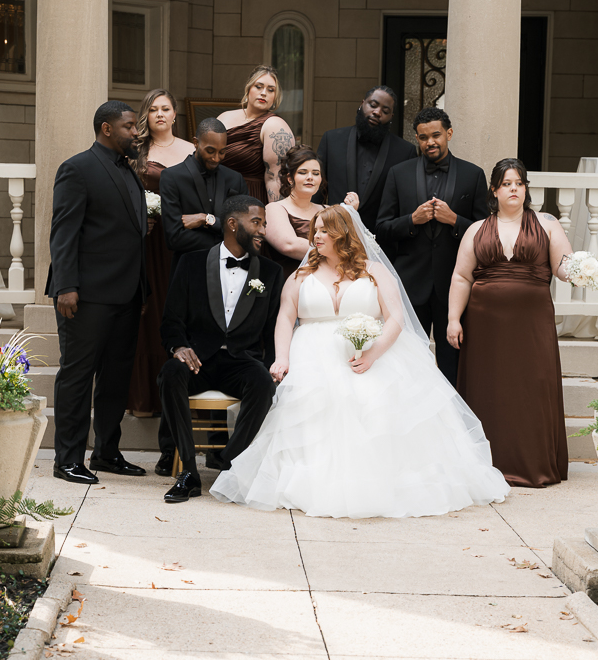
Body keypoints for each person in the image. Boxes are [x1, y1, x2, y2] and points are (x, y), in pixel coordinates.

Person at [210, 205, 508, 518]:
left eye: (325, 230)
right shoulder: (302, 273)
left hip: (371, 355)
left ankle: (374, 483)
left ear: (344, 234)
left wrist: (374, 353)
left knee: (372, 403)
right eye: (316, 230)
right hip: (312, 359)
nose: (317, 236)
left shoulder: (374, 271)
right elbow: (286, 317)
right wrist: (282, 358)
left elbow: (395, 317)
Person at [448, 158, 572, 488]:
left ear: (526, 188)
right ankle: (488, 463)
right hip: (485, 326)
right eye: (506, 183)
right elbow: (461, 277)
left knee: (531, 386)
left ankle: (531, 463)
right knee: (489, 388)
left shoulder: (547, 224)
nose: (513, 188)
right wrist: (452, 319)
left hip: (532, 324)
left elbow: (563, 266)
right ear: (494, 190)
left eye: (518, 182)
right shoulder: (477, 229)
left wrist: (581, 270)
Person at [46, 101, 148, 484]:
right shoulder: (77, 168)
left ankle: (107, 452)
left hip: (126, 294)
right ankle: (67, 459)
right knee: (77, 375)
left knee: (116, 378)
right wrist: (66, 286)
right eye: (129, 126)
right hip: (85, 296)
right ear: (106, 128)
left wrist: (142, 290)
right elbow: (64, 233)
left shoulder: (128, 171)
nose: (135, 132)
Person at [158, 195, 284, 504]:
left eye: (264, 224)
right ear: (232, 223)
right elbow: (171, 320)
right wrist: (179, 346)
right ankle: (188, 471)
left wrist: (272, 365)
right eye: (256, 222)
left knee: (262, 382)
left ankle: (232, 461)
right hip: (198, 359)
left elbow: (271, 330)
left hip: (241, 361)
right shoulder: (191, 262)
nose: (263, 230)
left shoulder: (270, 272)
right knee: (170, 373)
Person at [376, 107, 489, 385]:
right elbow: (381, 228)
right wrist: (412, 220)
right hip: (410, 283)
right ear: (417, 138)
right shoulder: (398, 174)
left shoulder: (472, 175)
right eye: (424, 137)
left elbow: (486, 232)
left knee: (453, 359)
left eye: (436, 135)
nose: (430, 142)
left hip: (454, 285)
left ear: (449, 134)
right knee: (407, 358)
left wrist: (455, 221)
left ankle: (453, 420)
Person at [125, 89, 195, 476]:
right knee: (146, 313)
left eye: (166, 108)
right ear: (145, 116)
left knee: (172, 311)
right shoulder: (135, 151)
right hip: (144, 242)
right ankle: (144, 397)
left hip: (177, 245)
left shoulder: (190, 149)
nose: (160, 114)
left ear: (174, 114)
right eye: (153, 109)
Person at [316, 85, 416, 234]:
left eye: (385, 111)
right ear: (362, 104)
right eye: (373, 105)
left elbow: (406, 205)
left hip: (381, 242)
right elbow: (318, 191)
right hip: (334, 235)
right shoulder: (331, 140)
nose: (377, 112)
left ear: (391, 117)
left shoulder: (405, 152)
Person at [159, 117, 247, 273]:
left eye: (222, 152)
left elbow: (243, 231)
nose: (216, 158)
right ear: (195, 142)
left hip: (229, 272)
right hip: (189, 270)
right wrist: (224, 235)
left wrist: (206, 219)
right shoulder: (171, 177)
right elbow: (174, 238)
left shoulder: (235, 179)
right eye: (210, 151)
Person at [218, 65, 294, 204]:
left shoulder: (275, 126)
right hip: (217, 197)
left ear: (275, 97)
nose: (264, 93)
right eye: (258, 87)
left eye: (270, 90)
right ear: (248, 89)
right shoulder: (224, 117)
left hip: (251, 201)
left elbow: (276, 179)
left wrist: (275, 216)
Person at [265, 145, 327, 279]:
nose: (310, 177)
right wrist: (336, 251)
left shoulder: (327, 210)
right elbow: (289, 245)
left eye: (316, 173)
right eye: (303, 172)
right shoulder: (275, 208)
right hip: (290, 281)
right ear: (290, 178)